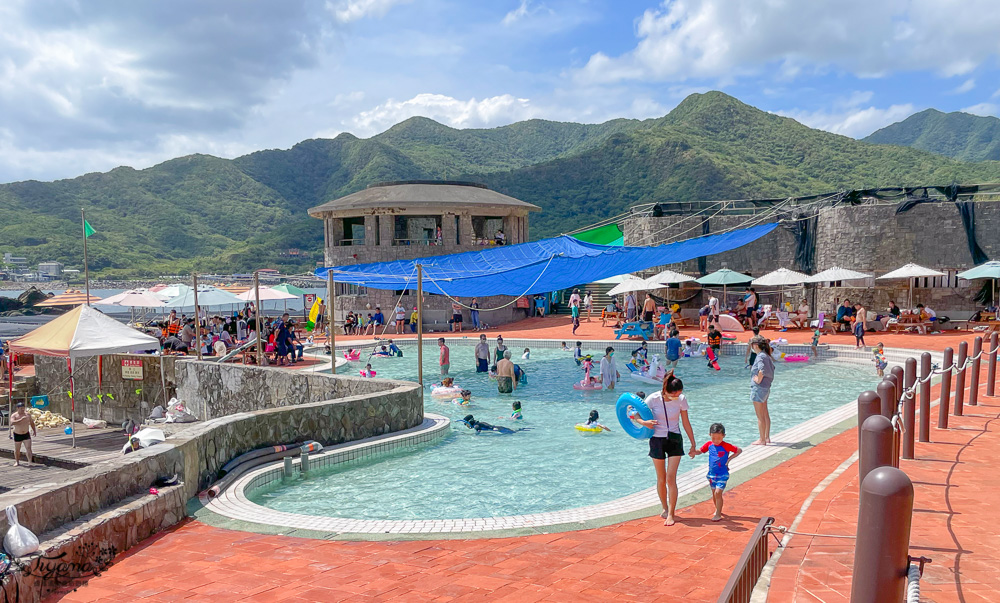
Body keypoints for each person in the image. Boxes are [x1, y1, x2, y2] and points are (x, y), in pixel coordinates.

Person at [629, 371, 697, 526]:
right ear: (666, 390)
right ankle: (665, 508)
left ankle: (672, 514)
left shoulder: (681, 399)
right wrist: (644, 423)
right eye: (675, 394)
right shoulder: (653, 399)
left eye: (680, 394)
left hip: (674, 439)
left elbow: (686, 422)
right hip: (657, 440)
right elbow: (635, 414)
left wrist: (693, 443)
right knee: (661, 477)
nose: (677, 397)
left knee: (670, 478)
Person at [694, 423, 742, 522]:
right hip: (711, 474)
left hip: (722, 474)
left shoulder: (726, 446)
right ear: (709, 435)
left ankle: (718, 514)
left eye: (719, 438)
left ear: (724, 436)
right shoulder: (709, 444)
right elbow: (700, 451)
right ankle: (717, 509)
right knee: (714, 494)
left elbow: (739, 450)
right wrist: (694, 452)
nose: (716, 441)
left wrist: (728, 460)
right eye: (713, 438)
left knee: (718, 492)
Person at [749, 336, 775, 445]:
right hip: (766, 387)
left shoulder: (760, 356)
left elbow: (761, 370)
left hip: (759, 388)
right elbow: (772, 369)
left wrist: (758, 380)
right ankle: (767, 437)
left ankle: (762, 439)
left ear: (755, 345)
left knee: (759, 416)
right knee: (765, 413)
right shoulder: (767, 356)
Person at [10, 401, 37, 465]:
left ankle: (30, 461)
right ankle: (17, 461)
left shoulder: (27, 415)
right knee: (17, 449)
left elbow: (32, 423)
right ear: (17, 408)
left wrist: (34, 430)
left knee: (28, 448)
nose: (22, 409)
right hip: (17, 434)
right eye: (21, 408)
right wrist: (21, 419)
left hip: (26, 433)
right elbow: (12, 423)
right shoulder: (14, 415)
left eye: (23, 408)